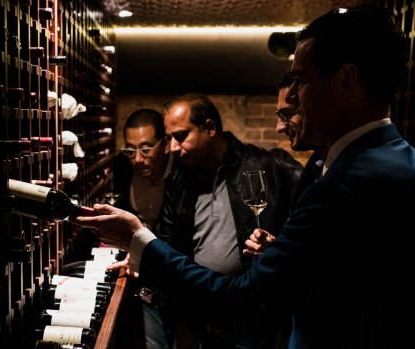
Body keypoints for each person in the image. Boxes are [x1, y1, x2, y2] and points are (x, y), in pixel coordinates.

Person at [72, 5, 415, 348]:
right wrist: (279, 253)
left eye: (300, 80)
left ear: (345, 81)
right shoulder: (341, 162)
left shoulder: (346, 186)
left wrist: (138, 239)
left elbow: (244, 307)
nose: (292, 98)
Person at [151, 93, 302, 349]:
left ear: (209, 128)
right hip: (200, 318)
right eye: (169, 139)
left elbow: (311, 219)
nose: (173, 148)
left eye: (181, 136)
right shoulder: (178, 182)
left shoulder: (269, 165)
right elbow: (166, 239)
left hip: (255, 320)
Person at [109, 108, 174, 349]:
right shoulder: (123, 167)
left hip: (172, 274)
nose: (137, 158)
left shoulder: (180, 175)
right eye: (130, 150)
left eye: (146, 150)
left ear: (165, 145)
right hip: (139, 276)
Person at [243, 72, 328, 257]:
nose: (279, 128)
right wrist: (277, 247)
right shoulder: (317, 164)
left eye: (286, 114)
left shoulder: (351, 169)